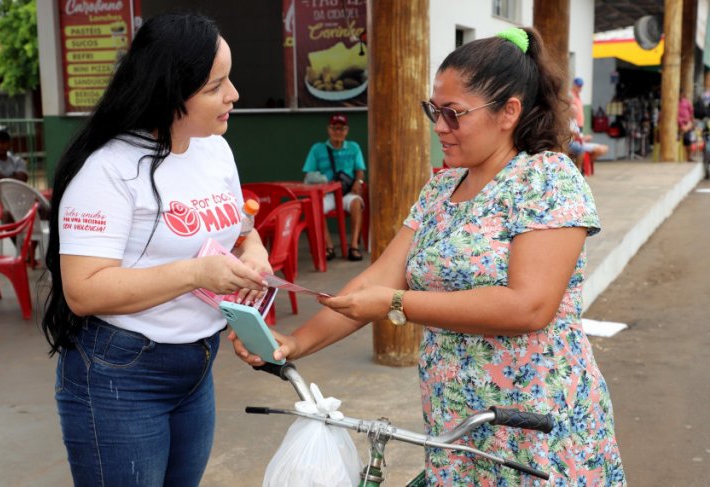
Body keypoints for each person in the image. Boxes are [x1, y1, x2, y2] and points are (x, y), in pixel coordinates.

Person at [234, 27, 626, 485]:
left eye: (454, 114)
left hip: (534, 421)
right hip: (454, 422)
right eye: (433, 111)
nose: (439, 126)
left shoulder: (546, 180)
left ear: (509, 113)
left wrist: (396, 304)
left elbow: (529, 306)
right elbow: (375, 281)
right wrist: (293, 345)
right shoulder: (441, 188)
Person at [40, 13, 272, 487]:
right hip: (121, 374)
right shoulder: (107, 171)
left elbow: (239, 226)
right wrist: (196, 274)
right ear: (170, 92)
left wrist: (255, 251)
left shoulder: (213, 148)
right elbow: (83, 291)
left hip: (197, 364)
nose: (234, 95)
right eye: (216, 86)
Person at [302, 113, 367, 262]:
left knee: (357, 203)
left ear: (347, 130)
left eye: (341, 128)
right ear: (329, 130)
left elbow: (360, 171)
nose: (338, 132)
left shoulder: (354, 147)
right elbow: (308, 173)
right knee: (316, 207)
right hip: (327, 193)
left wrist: (359, 182)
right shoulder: (317, 149)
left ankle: (354, 246)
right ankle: (329, 247)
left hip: (346, 191)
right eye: (335, 128)